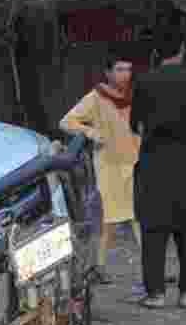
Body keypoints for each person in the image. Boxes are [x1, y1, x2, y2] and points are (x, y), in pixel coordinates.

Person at [130, 29, 186, 309]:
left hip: (154, 165)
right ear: (181, 51)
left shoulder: (144, 81)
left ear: (156, 54)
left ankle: (155, 294)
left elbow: (137, 126)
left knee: (153, 231)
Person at [59, 55, 142, 285]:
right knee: (111, 220)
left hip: (135, 163)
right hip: (109, 166)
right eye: (119, 69)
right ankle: (99, 266)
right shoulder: (96, 98)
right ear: (108, 72)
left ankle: (150, 268)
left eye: (128, 69)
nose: (125, 74)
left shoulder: (135, 96)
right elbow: (67, 122)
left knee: (140, 217)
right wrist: (93, 134)